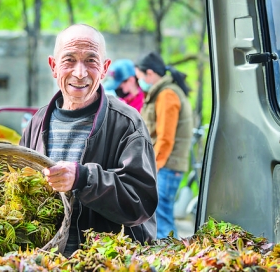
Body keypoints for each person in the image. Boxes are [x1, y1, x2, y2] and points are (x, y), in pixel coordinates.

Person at [19, 24, 158, 256]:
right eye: (69, 60)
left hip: (104, 261)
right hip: (48, 261)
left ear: (104, 69)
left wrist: (84, 178)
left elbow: (141, 203)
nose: (80, 73)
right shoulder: (37, 122)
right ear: (53, 66)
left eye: (91, 61)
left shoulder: (127, 124)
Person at [135, 51, 193, 239]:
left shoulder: (167, 95)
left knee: (162, 219)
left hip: (166, 166)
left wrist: (153, 168)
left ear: (150, 73)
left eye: (140, 77)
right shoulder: (163, 92)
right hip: (165, 165)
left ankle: (171, 262)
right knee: (161, 216)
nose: (139, 83)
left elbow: (166, 138)